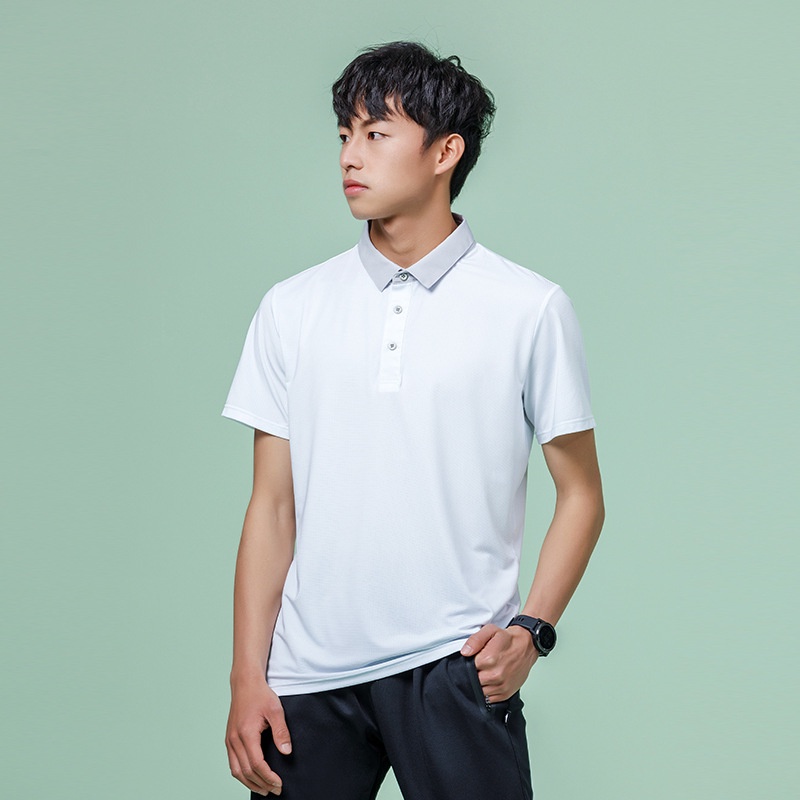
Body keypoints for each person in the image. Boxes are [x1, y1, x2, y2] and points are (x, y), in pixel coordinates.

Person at [221, 40, 604, 799]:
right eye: (344, 135)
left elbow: (583, 495)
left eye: (376, 133)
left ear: (445, 152)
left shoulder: (528, 307)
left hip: (454, 666)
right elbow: (272, 505)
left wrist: (531, 631)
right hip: (306, 679)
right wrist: (246, 677)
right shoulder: (291, 308)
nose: (349, 156)